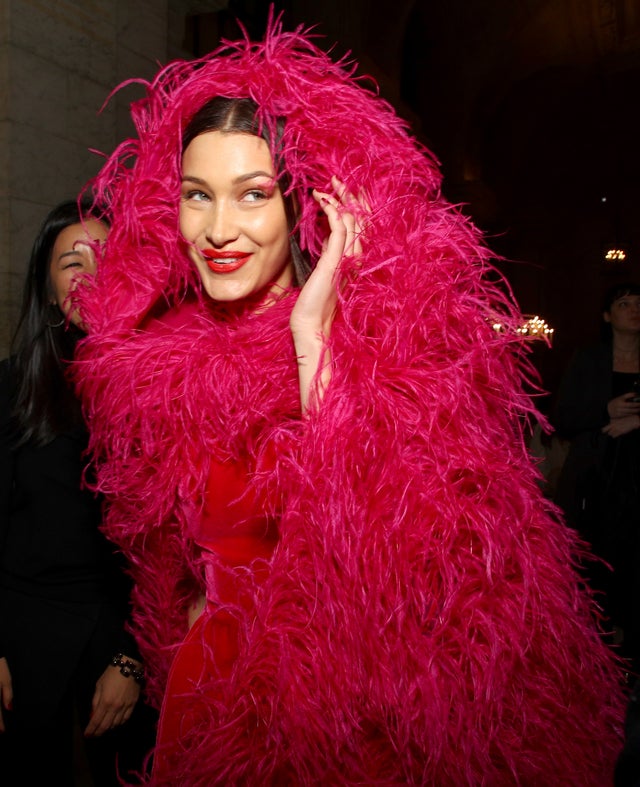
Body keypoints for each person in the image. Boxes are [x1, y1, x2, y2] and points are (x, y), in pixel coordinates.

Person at [75, 18, 625, 786]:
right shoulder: (159, 360)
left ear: (303, 204)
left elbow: (405, 572)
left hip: (344, 711)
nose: (219, 229)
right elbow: (164, 558)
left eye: (253, 194)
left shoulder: (394, 351)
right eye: (197, 196)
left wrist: (312, 342)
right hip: (210, 692)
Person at [0, 200, 155, 785]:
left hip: (118, 636)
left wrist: (130, 658)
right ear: (47, 286)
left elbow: (173, 553)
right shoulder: (10, 388)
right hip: (20, 639)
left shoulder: (164, 393)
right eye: (72, 262)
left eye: (108, 259)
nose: (91, 276)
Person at [554, 282, 640, 673]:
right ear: (608, 316)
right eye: (624, 304)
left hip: (636, 481)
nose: (634, 310)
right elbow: (564, 419)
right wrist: (605, 409)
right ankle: (593, 659)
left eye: (639, 303)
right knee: (593, 567)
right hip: (595, 482)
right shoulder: (590, 360)